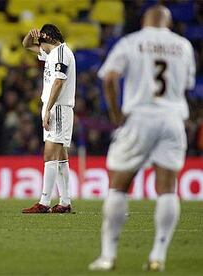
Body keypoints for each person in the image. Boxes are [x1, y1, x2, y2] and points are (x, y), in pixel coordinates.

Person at [88, 5, 195, 271]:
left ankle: (108, 256)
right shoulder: (183, 46)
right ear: (168, 23)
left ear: (145, 21)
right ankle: (158, 255)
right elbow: (188, 86)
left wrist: (115, 114)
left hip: (139, 117)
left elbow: (110, 78)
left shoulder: (131, 42)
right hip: (172, 120)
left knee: (119, 185)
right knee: (168, 188)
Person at [21, 24, 76, 213]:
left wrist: (48, 110)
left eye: (41, 42)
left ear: (48, 39)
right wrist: (31, 35)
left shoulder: (61, 53)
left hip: (58, 107)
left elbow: (59, 82)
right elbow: (27, 45)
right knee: (60, 156)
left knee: (50, 154)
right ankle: (65, 202)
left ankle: (44, 202)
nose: (39, 47)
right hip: (54, 107)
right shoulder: (51, 54)